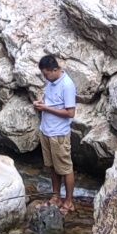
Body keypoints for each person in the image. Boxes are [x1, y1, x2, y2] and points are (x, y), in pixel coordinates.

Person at [35, 54, 78, 210]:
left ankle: (69, 201)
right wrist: (41, 103)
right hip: (46, 130)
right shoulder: (51, 81)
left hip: (59, 133)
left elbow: (70, 113)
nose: (45, 77)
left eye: (46, 74)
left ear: (54, 70)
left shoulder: (67, 85)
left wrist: (45, 108)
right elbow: (51, 101)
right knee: (52, 166)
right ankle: (56, 196)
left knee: (65, 168)